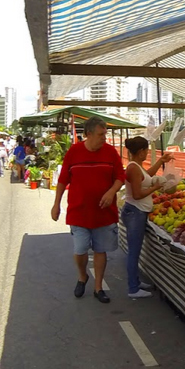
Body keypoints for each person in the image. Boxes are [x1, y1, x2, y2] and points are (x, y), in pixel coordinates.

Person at [51, 118, 125, 302]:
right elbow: (62, 180)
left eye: (105, 134)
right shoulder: (74, 152)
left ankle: (98, 287)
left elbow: (120, 177)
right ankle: (82, 275)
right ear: (88, 134)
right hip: (79, 212)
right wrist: (56, 204)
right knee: (80, 249)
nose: (104, 138)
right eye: (101, 134)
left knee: (101, 250)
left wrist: (111, 192)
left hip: (104, 213)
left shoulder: (110, 152)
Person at [121, 137, 172, 299]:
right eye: (147, 150)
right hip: (135, 212)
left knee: (135, 250)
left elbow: (147, 176)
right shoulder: (133, 168)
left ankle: (135, 281)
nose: (147, 153)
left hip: (137, 212)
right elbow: (137, 194)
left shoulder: (136, 167)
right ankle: (133, 288)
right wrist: (155, 187)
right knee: (134, 252)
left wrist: (160, 162)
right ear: (141, 151)